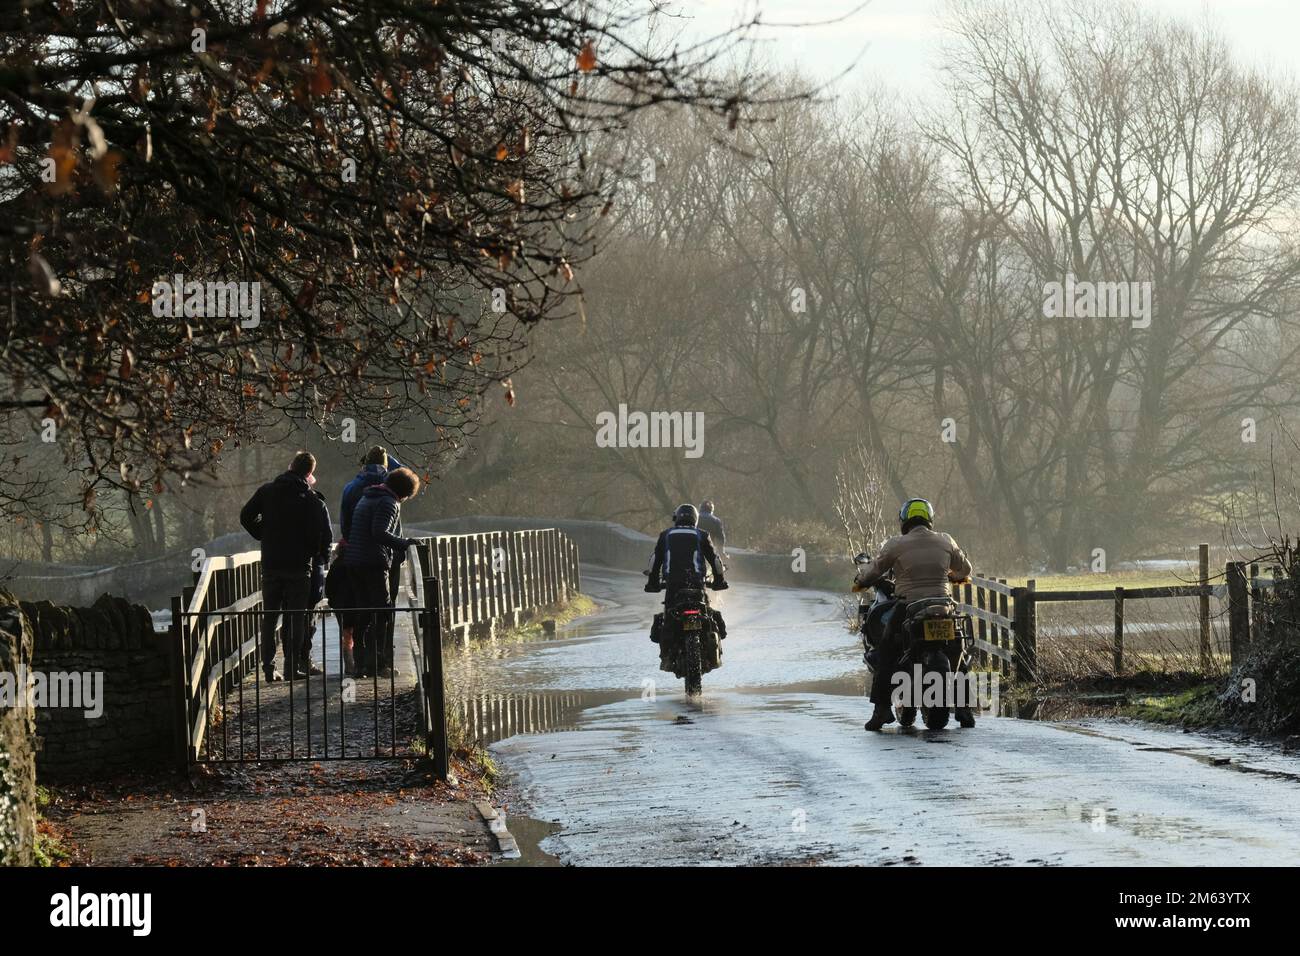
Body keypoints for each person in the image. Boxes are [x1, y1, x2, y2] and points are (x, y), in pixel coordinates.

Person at [852, 497, 972, 731]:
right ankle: (964, 708)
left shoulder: (895, 544)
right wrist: (952, 576)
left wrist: (860, 581)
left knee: (886, 649)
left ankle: (882, 710)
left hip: (909, 606)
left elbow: (874, 570)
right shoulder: (946, 540)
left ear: (904, 521)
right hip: (942, 605)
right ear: (929, 519)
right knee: (958, 646)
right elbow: (965, 570)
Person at [240, 451, 333, 683]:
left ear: (290, 466)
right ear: (309, 473)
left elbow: (245, 516)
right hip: (299, 567)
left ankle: (269, 669)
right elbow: (322, 536)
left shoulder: (267, 491)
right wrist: (313, 553)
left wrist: (263, 533)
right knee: (295, 618)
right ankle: (292, 667)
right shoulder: (312, 501)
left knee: (270, 617)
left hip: (271, 564)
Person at [342, 467, 422, 679]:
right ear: (405, 492)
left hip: (354, 561)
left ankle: (360, 664)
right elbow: (379, 532)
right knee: (382, 612)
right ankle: (378, 664)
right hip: (373, 563)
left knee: (364, 613)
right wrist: (405, 544)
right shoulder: (389, 502)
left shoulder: (368, 497)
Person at [645, 505, 729, 660]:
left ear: (676, 519)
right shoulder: (702, 535)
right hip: (697, 584)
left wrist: (652, 582)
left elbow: (654, 561)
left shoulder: (666, 535)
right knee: (709, 614)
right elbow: (716, 561)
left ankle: (668, 655)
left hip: (673, 586)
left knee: (667, 619)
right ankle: (713, 650)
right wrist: (720, 581)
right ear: (695, 520)